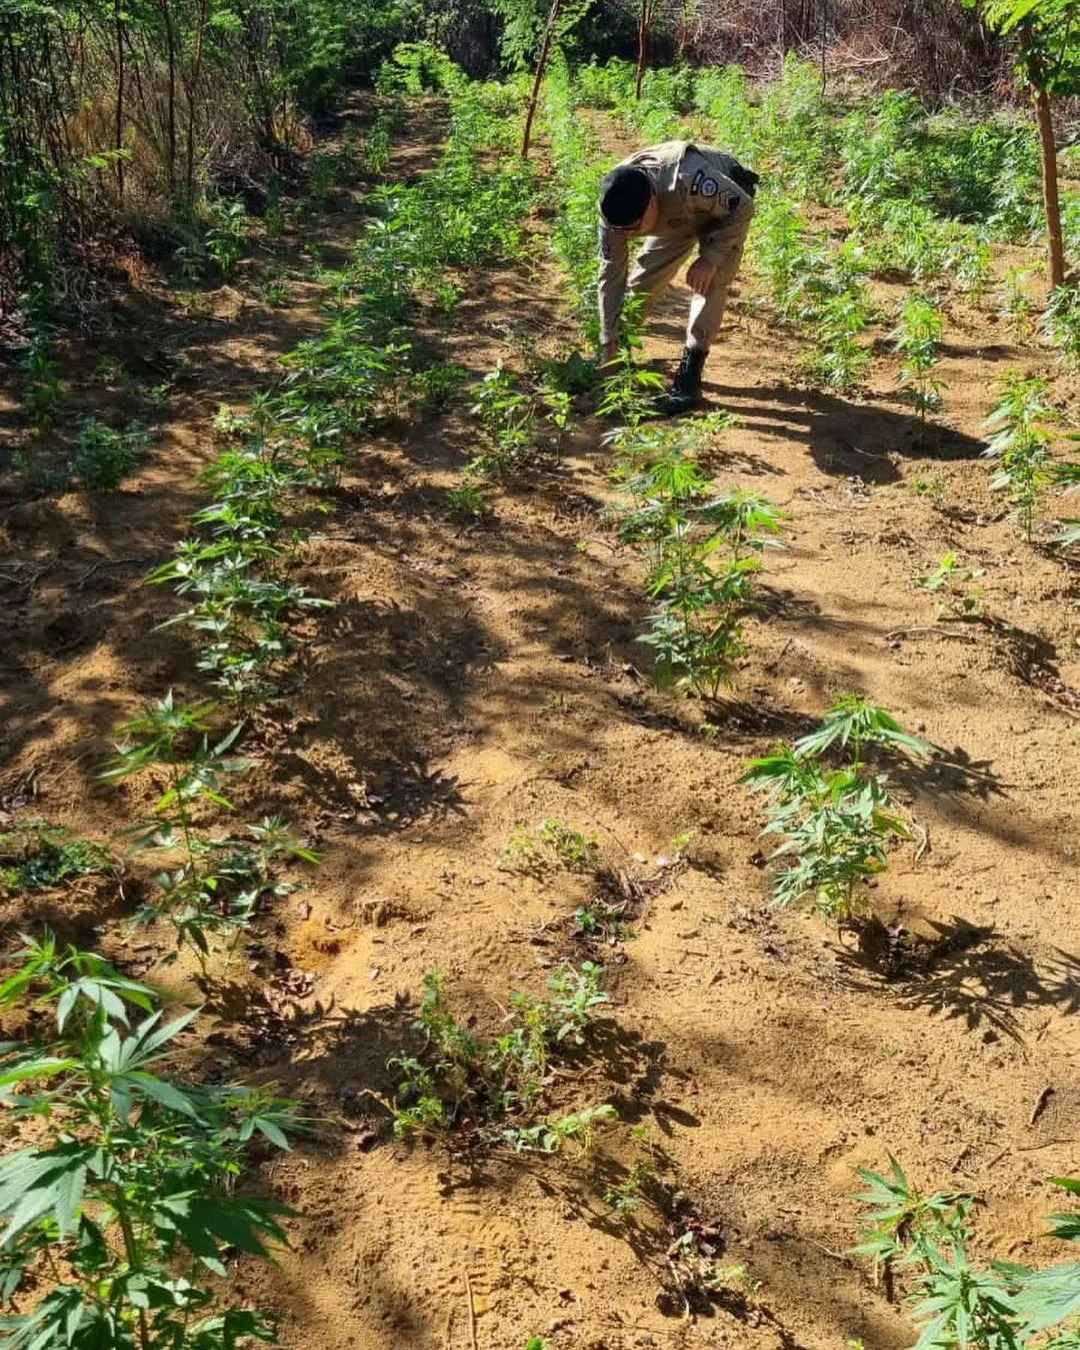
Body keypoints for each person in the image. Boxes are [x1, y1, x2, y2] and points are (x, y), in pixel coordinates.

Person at [597, 140, 758, 414]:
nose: (629, 236)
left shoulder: (689, 177)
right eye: (623, 231)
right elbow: (610, 275)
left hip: (724, 215)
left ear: (652, 204)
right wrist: (607, 340)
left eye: (635, 229)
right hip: (677, 217)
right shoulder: (612, 210)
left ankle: (689, 376)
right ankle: (620, 350)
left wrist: (711, 258)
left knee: (709, 282)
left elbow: (742, 207)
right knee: (642, 281)